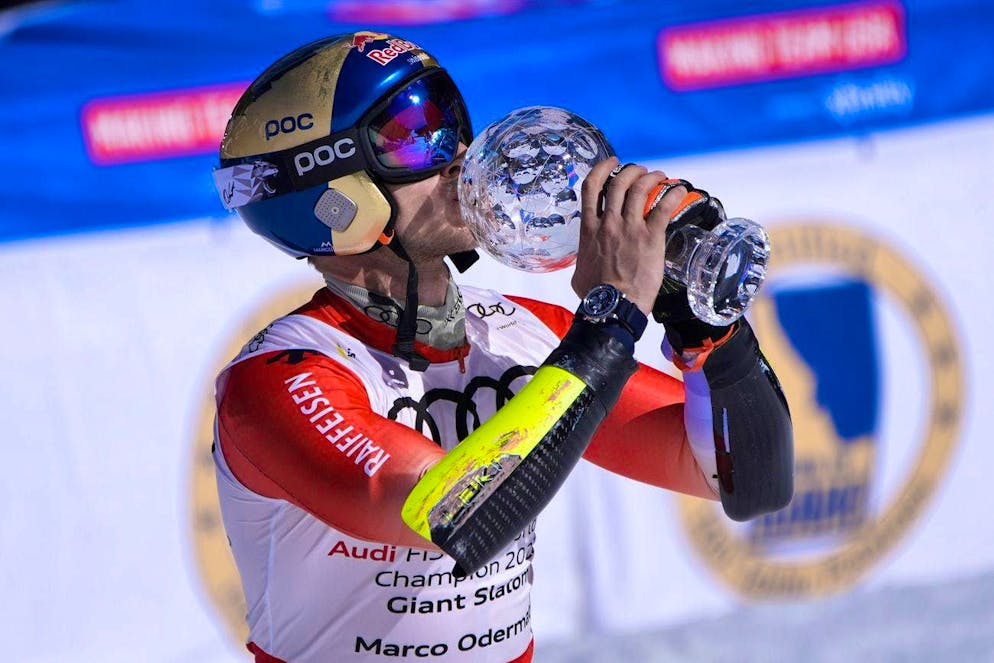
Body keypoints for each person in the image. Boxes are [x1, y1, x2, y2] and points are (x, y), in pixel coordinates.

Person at [210, 31, 793, 663]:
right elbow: (456, 519)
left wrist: (701, 325)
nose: (461, 155)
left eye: (451, 124)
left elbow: (749, 481)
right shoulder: (278, 380)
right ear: (334, 197)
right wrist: (611, 320)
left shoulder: (520, 332)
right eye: (414, 137)